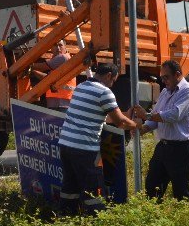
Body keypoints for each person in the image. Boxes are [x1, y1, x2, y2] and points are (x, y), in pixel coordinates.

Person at [57, 62, 139, 214]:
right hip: (84, 148)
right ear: (109, 76)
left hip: (66, 144)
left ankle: (66, 216)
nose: (113, 84)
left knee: (70, 185)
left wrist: (126, 117)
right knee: (93, 189)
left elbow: (97, 115)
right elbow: (119, 121)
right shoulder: (104, 92)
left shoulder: (81, 87)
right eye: (113, 80)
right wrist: (136, 126)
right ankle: (96, 222)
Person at [132, 60, 189, 201]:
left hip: (181, 148)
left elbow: (174, 115)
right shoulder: (165, 92)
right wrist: (145, 128)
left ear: (177, 75)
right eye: (161, 77)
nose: (163, 81)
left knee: (181, 191)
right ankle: (153, 218)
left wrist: (146, 115)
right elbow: (156, 114)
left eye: (166, 77)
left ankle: (183, 220)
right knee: (152, 186)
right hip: (163, 147)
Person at [32, 40, 74, 109]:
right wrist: (34, 71)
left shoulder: (63, 58)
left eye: (60, 45)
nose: (58, 48)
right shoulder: (59, 62)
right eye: (55, 45)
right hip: (57, 103)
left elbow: (43, 67)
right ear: (51, 49)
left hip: (62, 104)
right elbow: (48, 78)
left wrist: (29, 66)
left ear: (65, 48)